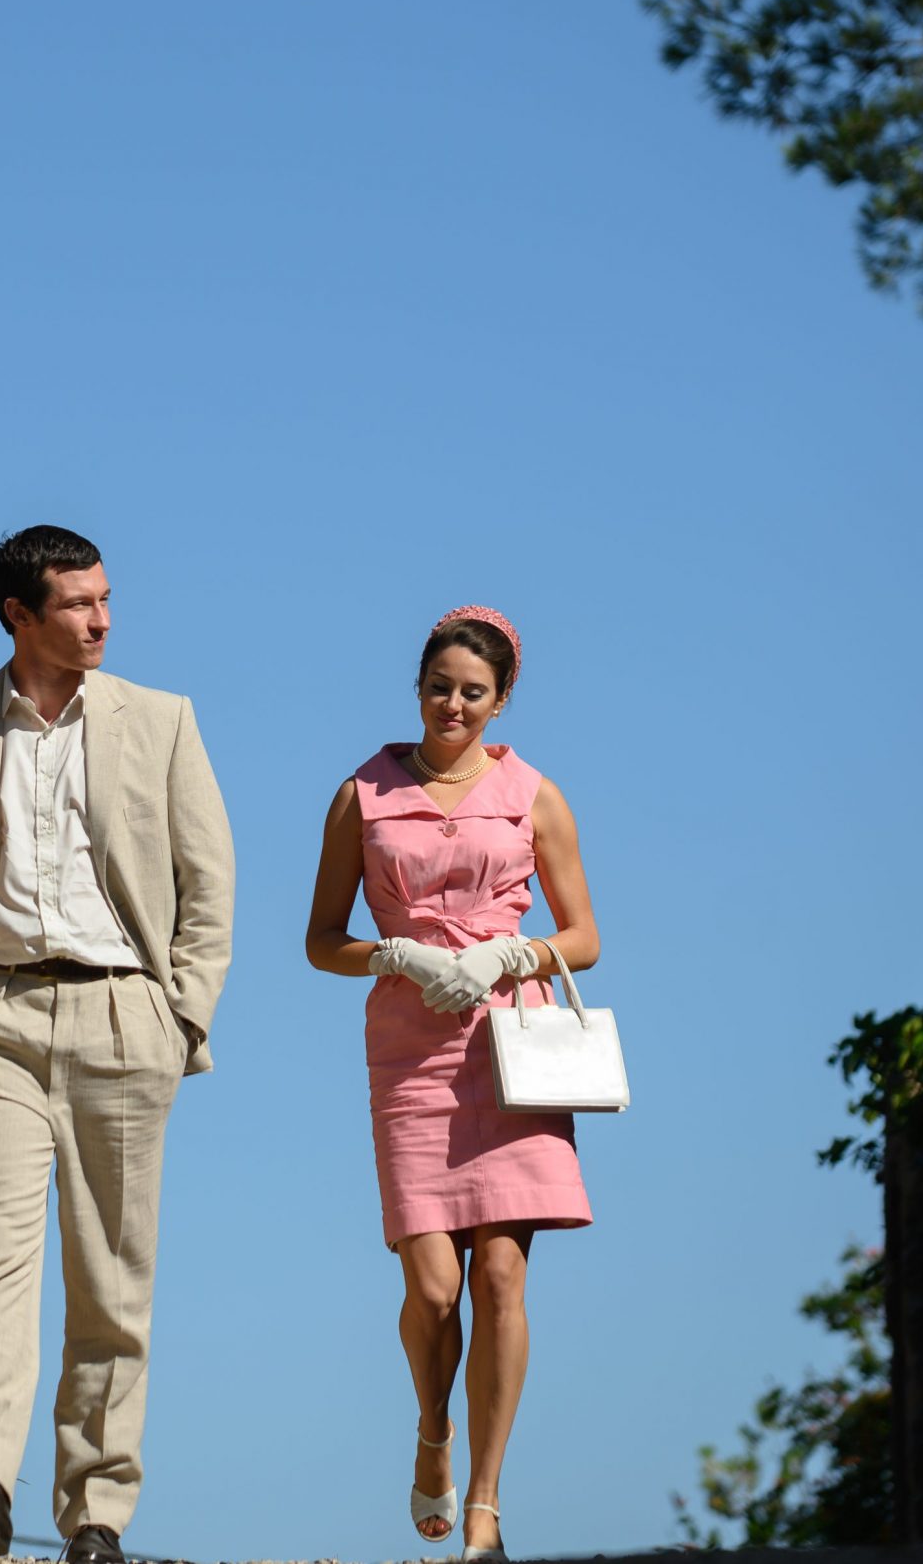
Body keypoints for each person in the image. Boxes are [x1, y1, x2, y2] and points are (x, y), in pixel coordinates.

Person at [0, 524, 234, 1564]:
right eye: (79, 604)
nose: (103, 619)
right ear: (17, 616)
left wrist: (179, 1017)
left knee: (110, 1280)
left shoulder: (160, 721)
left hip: (124, 1018)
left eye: (105, 598)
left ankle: (94, 1515)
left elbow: (207, 886)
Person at [303, 605, 599, 1563]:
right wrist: (394, 952)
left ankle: (485, 1507)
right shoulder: (364, 791)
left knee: (504, 1274)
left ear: (501, 699)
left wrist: (515, 955)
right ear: (418, 687)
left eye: (474, 692)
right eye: (441, 688)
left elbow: (585, 936)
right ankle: (432, 1433)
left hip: (510, 1048)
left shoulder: (534, 794)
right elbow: (320, 940)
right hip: (409, 1051)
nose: (454, 705)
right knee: (434, 1289)